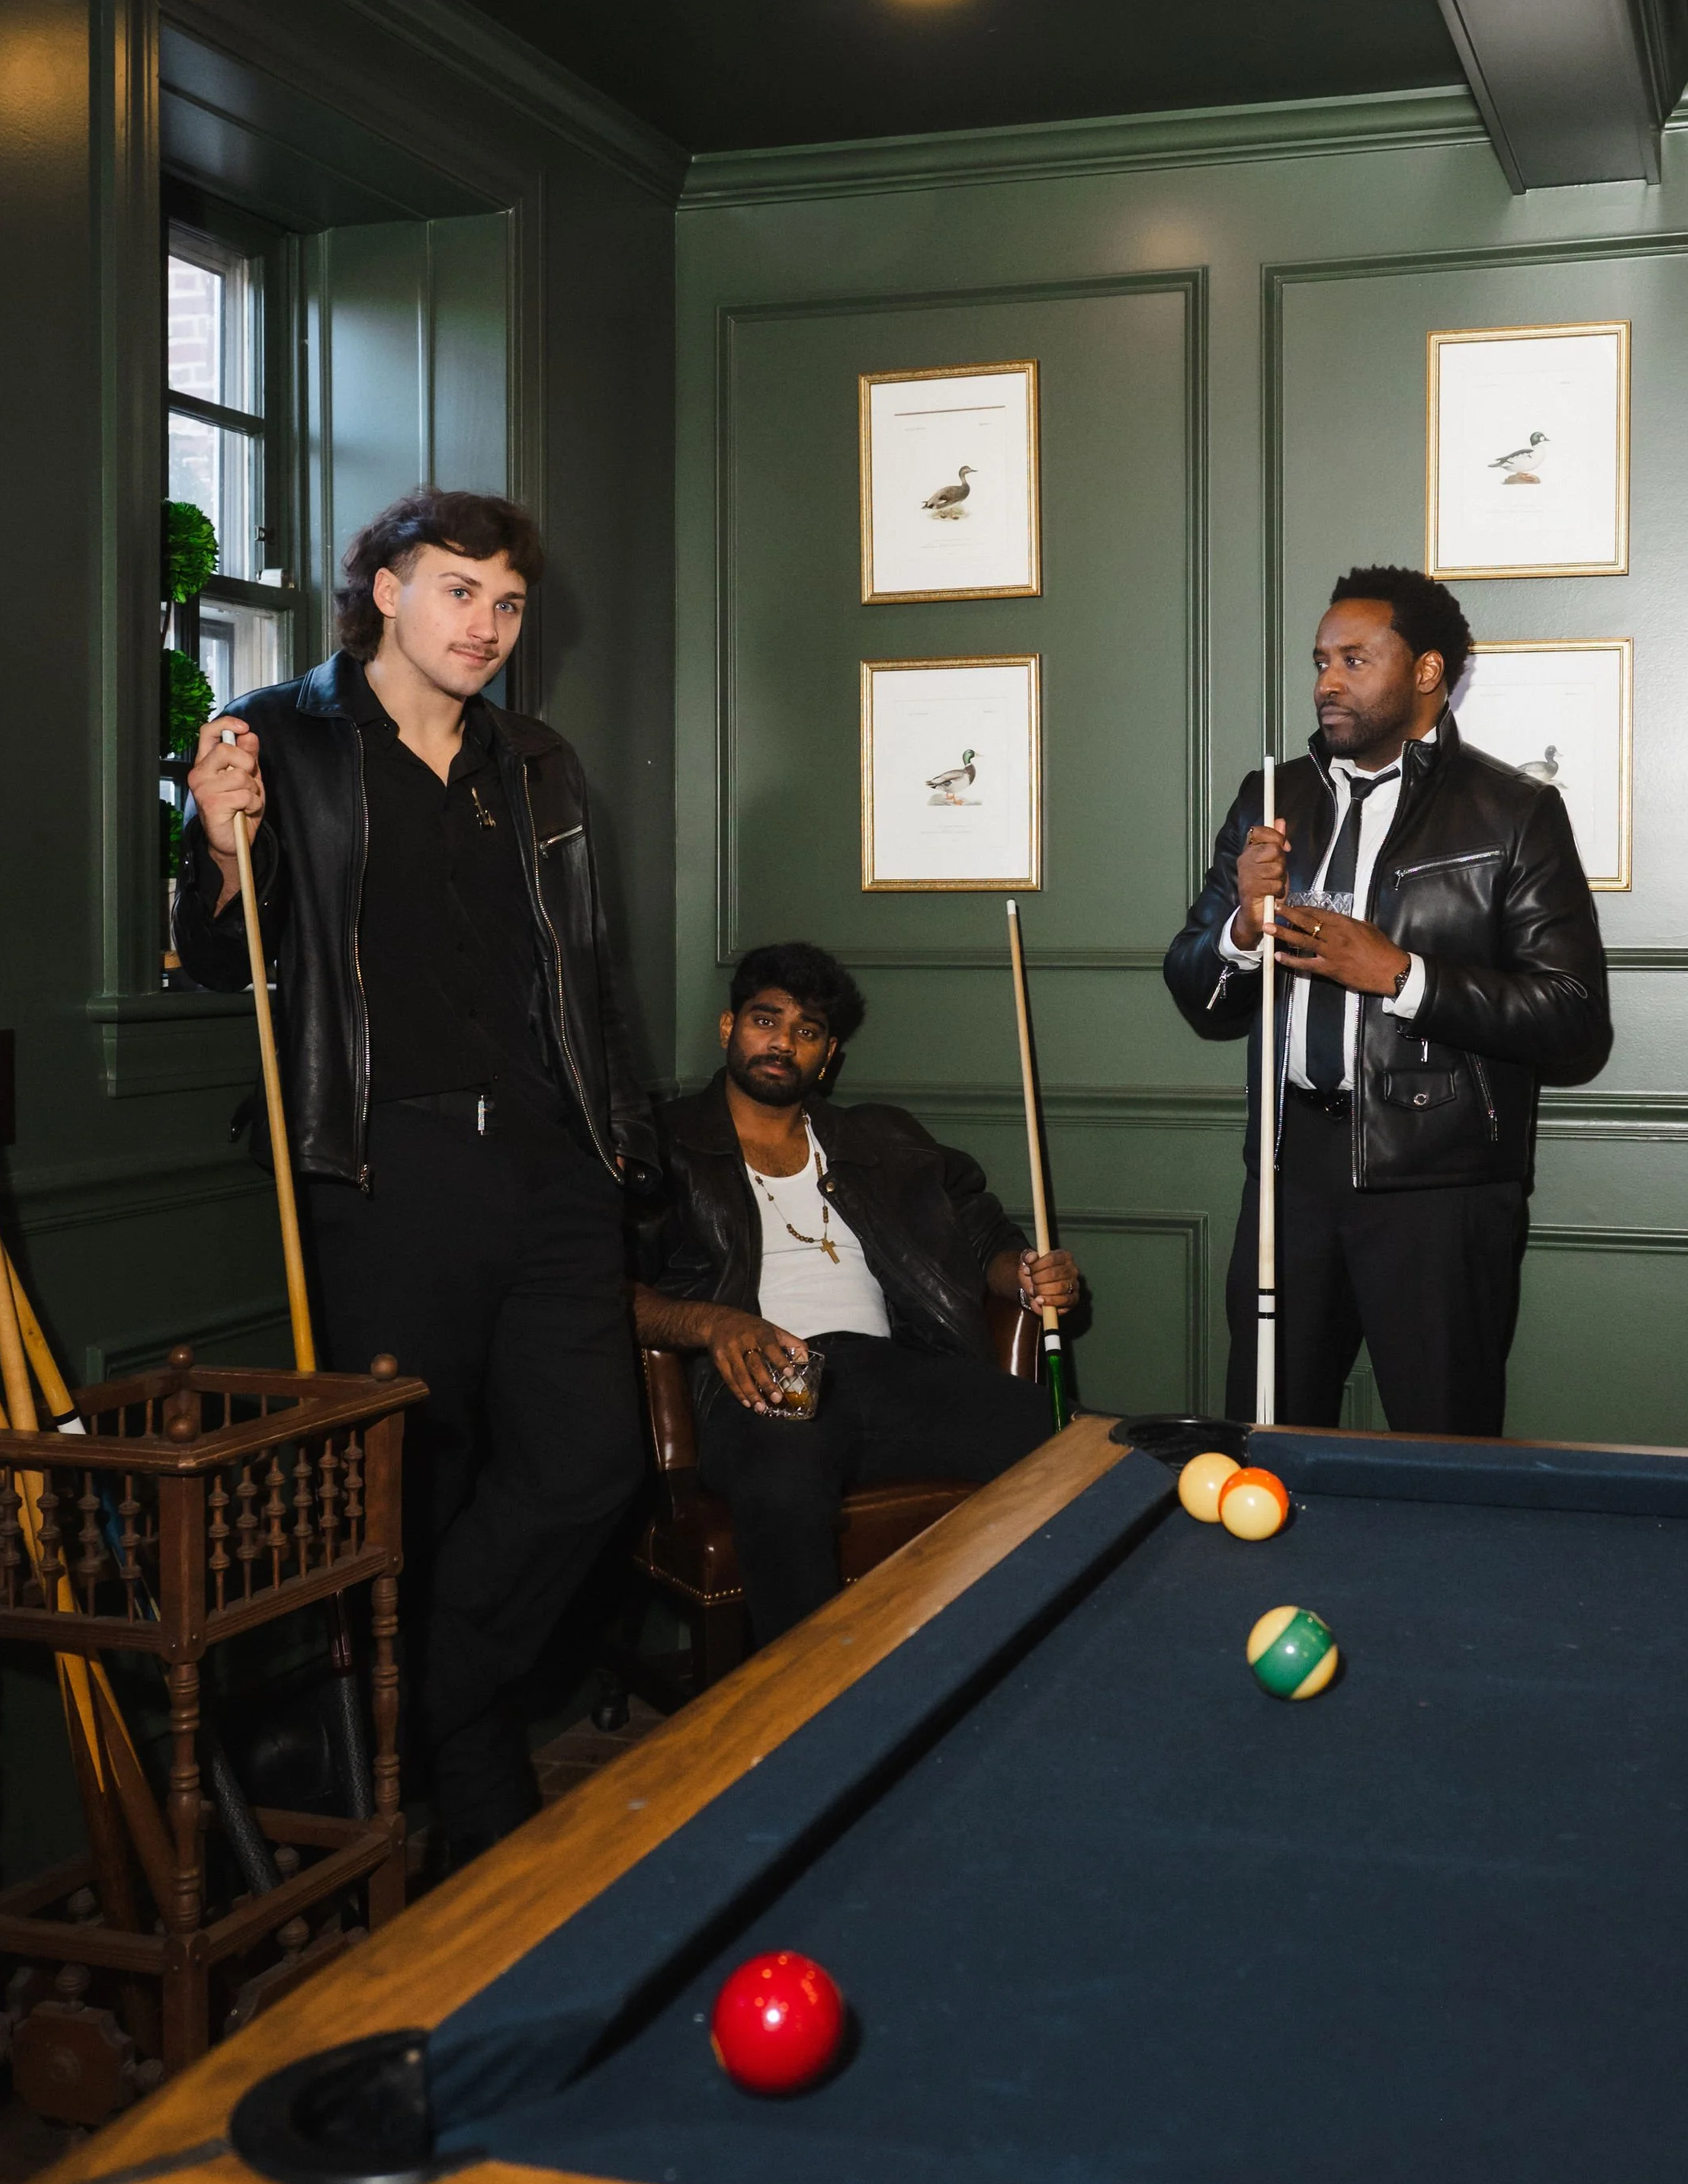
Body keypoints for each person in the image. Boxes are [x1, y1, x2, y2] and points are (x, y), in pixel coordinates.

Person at [174, 488, 655, 1865]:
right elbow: (219, 966)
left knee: (589, 1465)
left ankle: (428, 1701)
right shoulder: (280, 737)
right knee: (419, 1492)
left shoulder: (538, 762)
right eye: (459, 591)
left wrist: (612, 1143)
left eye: (507, 603)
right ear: (383, 589)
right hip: (385, 1162)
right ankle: (473, 1791)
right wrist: (217, 846)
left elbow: (586, 979)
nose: (488, 625)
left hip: (556, 1156)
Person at [1164, 565, 1610, 1438]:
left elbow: (1572, 1019)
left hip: (1438, 1181)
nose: (1328, 681)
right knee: (1268, 1430)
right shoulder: (1271, 800)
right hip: (1290, 1167)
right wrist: (1241, 932)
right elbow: (1199, 993)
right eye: (1321, 660)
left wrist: (1403, 976)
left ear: (1427, 671)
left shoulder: (1512, 812)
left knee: (1444, 1441)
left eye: (1355, 659)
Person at [631, 942, 1079, 1644]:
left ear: (829, 1054)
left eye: (806, 1031)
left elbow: (984, 1240)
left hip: (890, 1369)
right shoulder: (663, 1145)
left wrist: (1024, 1272)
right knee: (783, 1484)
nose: (782, 1042)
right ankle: (805, 1711)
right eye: (764, 1020)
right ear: (728, 1028)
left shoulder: (881, 1138)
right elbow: (606, 1289)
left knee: (1077, 1449)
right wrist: (715, 1323)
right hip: (766, 1382)